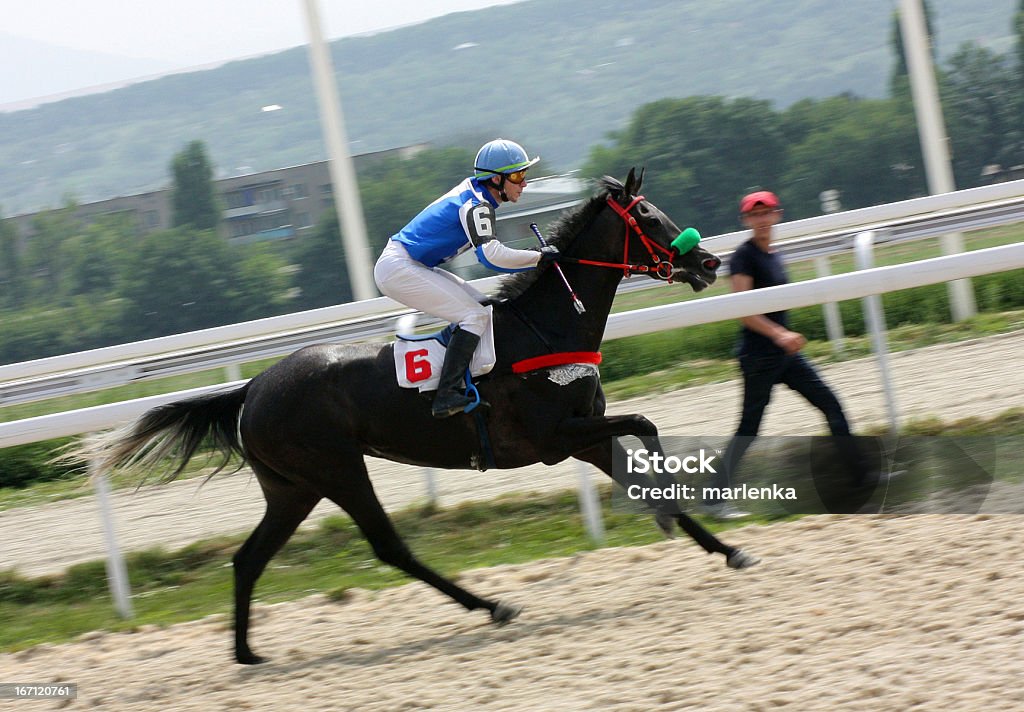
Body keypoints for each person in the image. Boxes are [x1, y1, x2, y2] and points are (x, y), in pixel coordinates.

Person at [701, 190, 874, 519]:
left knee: (830, 404)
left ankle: (863, 475)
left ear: (777, 215)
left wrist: (782, 339)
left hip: (784, 355)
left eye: (767, 213)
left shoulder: (774, 254)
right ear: (746, 221)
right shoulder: (743, 258)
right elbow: (744, 311)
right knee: (749, 429)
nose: (762, 220)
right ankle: (712, 499)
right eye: (755, 215)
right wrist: (780, 334)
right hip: (759, 356)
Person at [374, 138, 560, 418]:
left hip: (410, 264)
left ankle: (465, 378)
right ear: (497, 179)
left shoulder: (479, 197)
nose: (524, 183)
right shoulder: (477, 204)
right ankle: (446, 394)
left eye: (524, 175)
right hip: (398, 267)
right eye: (518, 176)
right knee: (473, 317)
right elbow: (491, 256)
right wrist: (537, 257)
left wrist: (536, 259)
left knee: (484, 309)